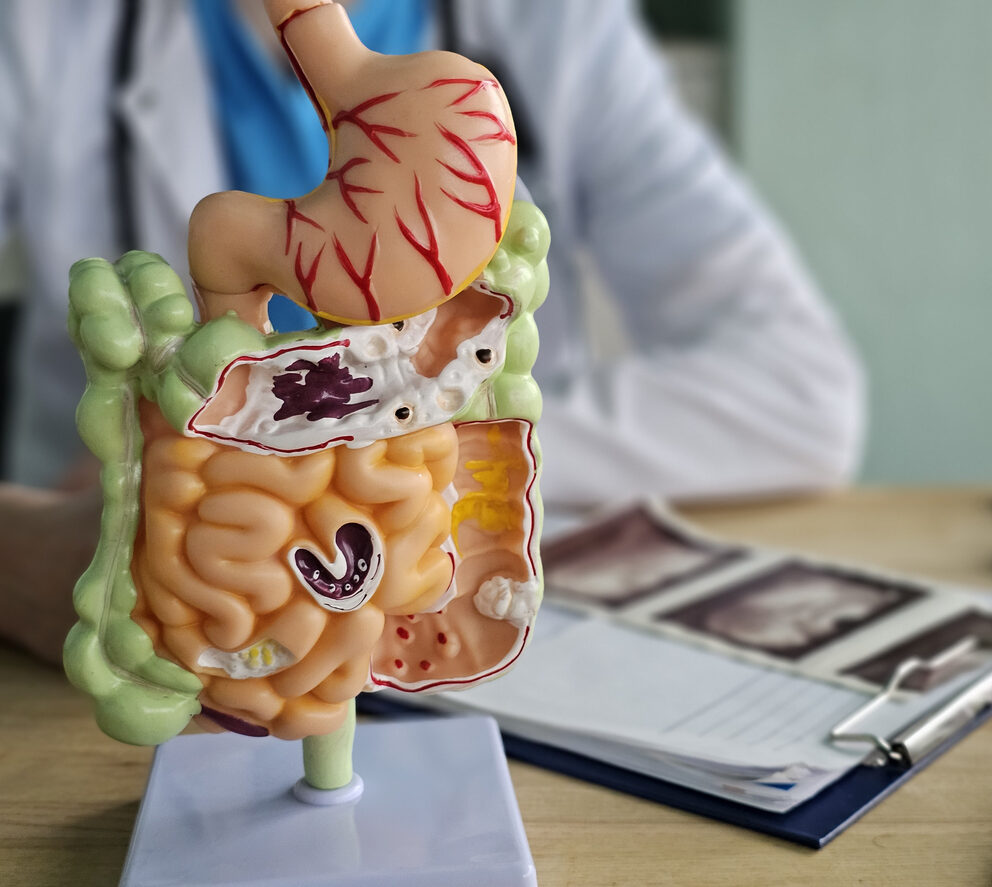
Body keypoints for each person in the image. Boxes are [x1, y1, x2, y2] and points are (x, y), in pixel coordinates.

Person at [0, 0, 864, 663]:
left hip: (463, 632)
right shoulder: (42, 31)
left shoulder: (554, 29)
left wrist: (419, 450)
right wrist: (14, 551)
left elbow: (800, 389)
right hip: (119, 650)